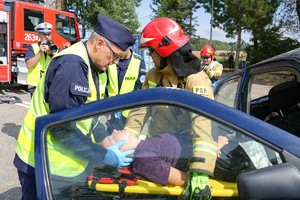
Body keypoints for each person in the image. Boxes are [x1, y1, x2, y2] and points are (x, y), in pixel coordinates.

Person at [13, 14, 136, 200]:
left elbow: (88, 116)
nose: (116, 62)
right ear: (100, 44)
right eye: (115, 56)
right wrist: (104, 156)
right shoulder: (72, 66)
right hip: (41, 161)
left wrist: (106, 138)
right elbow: (61, 129)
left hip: (62, 162)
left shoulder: (96, 66)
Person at [123, 17, 218, 199]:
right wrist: (126, 142)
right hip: (160, 152)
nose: (150, 55)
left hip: (186, 154)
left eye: (152, 51)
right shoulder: (153, 75)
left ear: (164, 49)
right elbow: (140, 111)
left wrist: (200, 170)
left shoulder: (195, 78)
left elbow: (203, 124)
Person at [101, 130, 228, 186]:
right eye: (110, 138)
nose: (114, 130)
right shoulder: (144, 160)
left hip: (213, 148)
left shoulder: (147, 145)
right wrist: (211, 152)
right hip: (218, 162)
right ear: (121, 151)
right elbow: (181, 179)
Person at [106, 47, 146, 133]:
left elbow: (139, 88)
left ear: (129, 46)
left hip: (129, 111)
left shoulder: (138, 61)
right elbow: (104, 83)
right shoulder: (111, 58)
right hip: (111, 109)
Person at [25, 22, 58, 97]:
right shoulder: (33, 47)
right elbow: (28, 65)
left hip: (51, 84)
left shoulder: (55, 48)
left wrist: (50, 54)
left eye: (48, 34)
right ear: (38, 35)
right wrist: (40, 52)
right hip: (35, 85)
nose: (47, 37)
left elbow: (59, 65)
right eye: (44, 34)